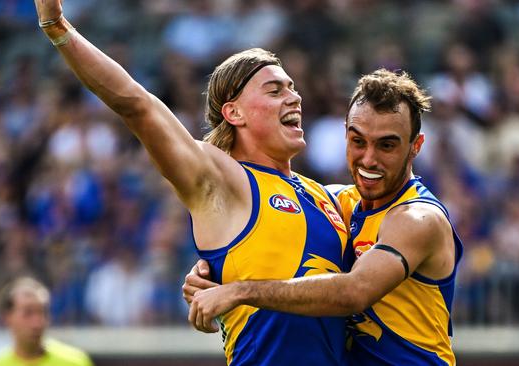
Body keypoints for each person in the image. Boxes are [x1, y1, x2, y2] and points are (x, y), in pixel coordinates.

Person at [31, 1, 351, 365]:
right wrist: (59, 29)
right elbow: (138, 104)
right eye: (275, 90)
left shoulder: (325, 196)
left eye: (292, 88)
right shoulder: (220, 178)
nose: (294, 97)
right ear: (234, 112)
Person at [186, 69, 464, 366]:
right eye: (358, 142)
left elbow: (355, 291)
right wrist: (214, 269)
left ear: (415, 146)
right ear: (345, 133)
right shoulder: (339, 204)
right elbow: (274, 227)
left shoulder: (418, 218)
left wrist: (239, 291)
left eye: (387, 145)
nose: (369, 159)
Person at [0, 277, 93, 366]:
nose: (37, 323)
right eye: (28, 313)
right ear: (7, 318)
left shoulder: (75, 362)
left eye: (43, 312)